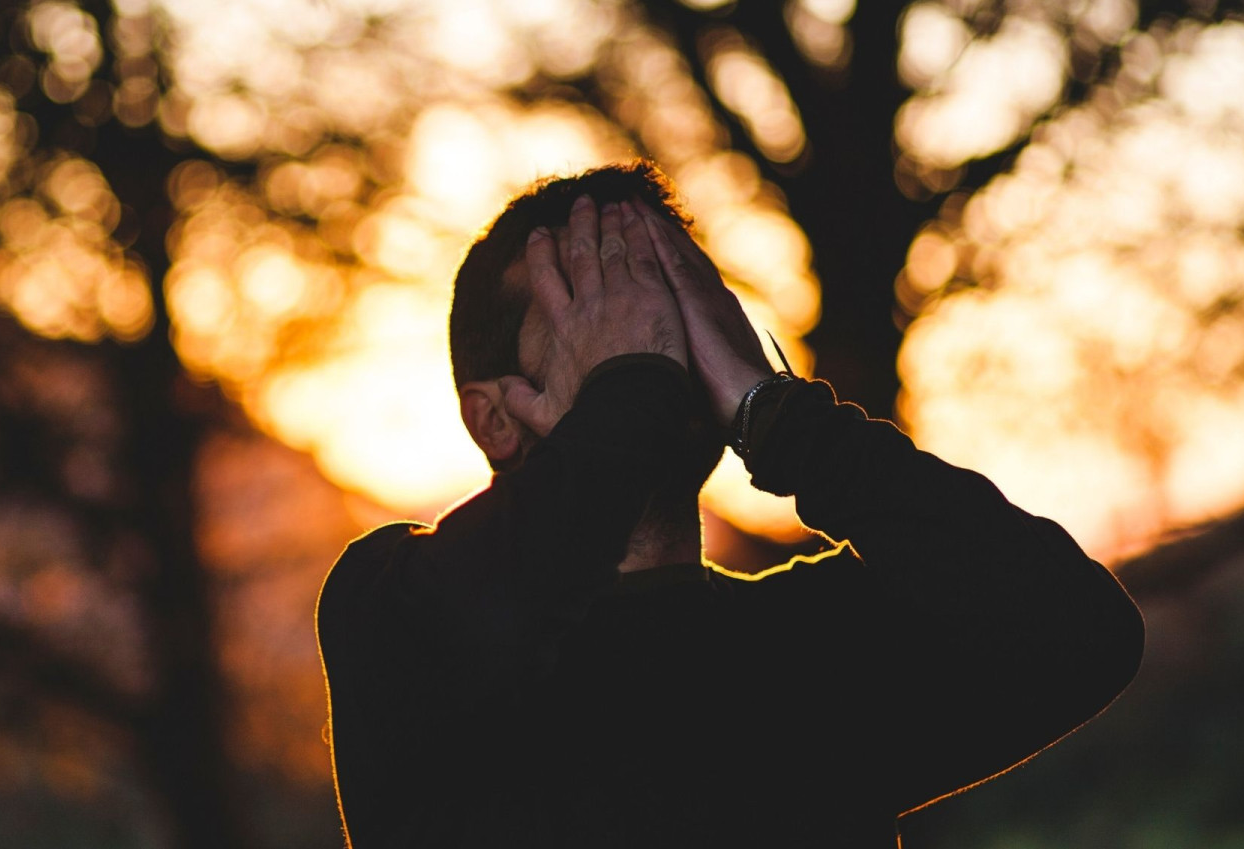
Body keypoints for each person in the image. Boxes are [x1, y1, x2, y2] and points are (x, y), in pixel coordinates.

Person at [315, 162, 1144, 848]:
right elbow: (497, 605)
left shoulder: (819, 640)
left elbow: (1082, 632)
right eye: (603, 312)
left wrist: (780, 419)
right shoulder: (394, 609)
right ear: (492, 418)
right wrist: (630, 390)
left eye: (672, 300)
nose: (656, 340)